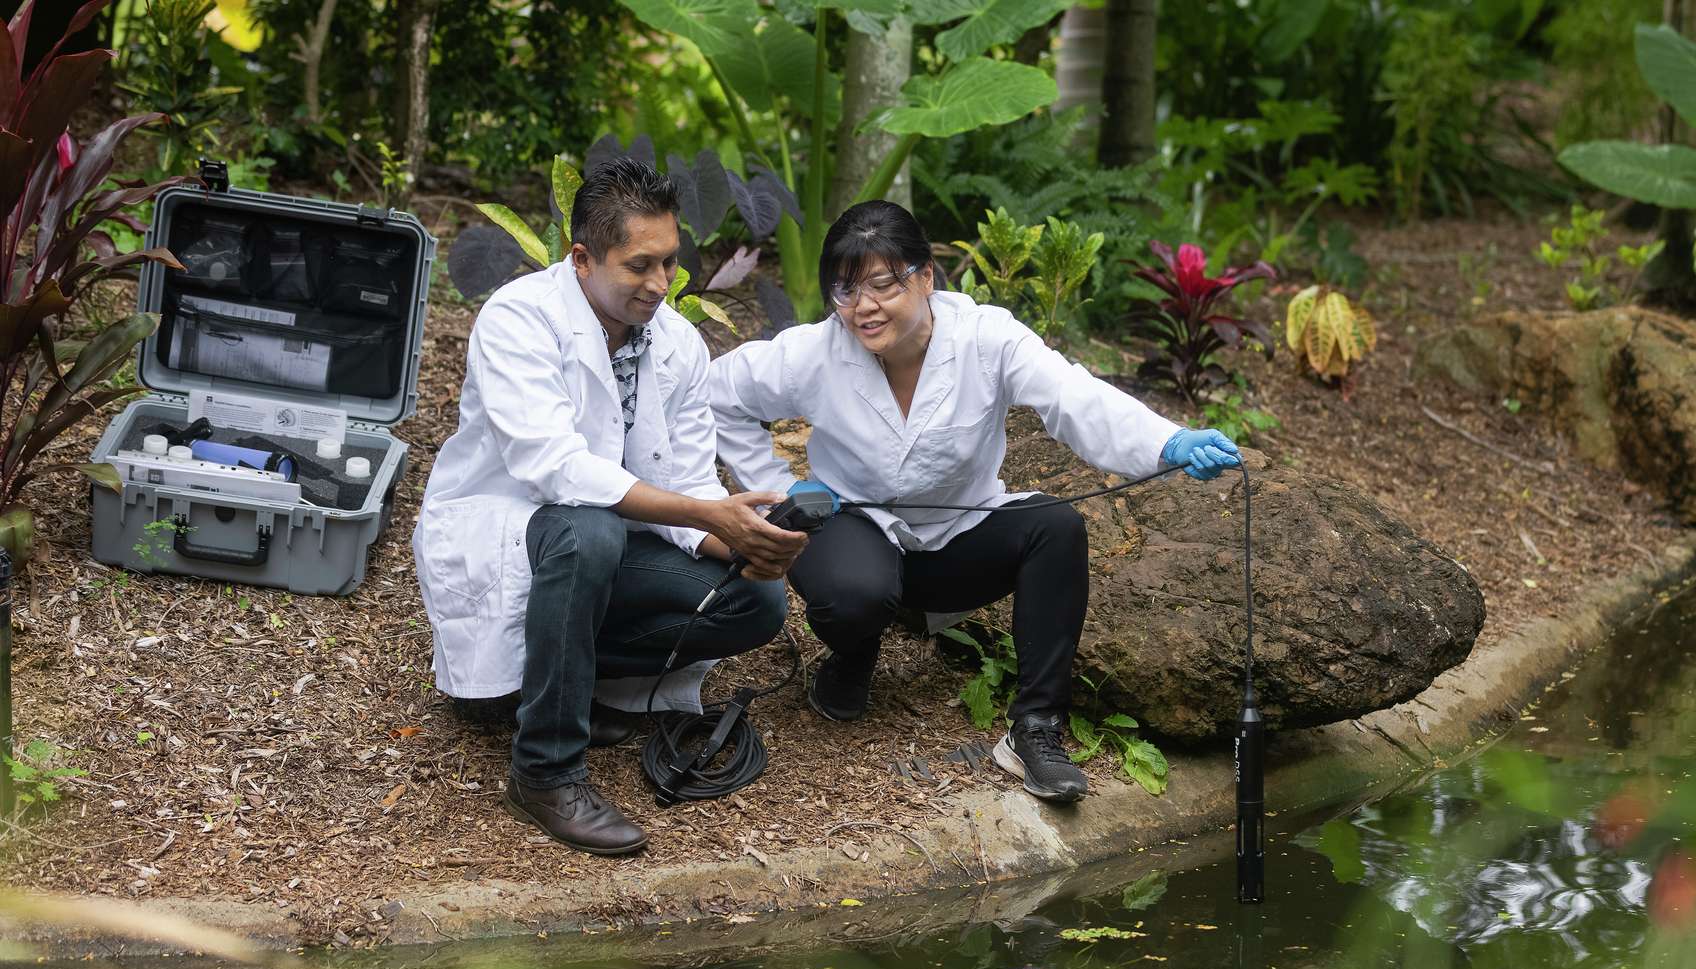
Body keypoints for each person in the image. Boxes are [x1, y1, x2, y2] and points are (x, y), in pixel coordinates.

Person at [709, 200, 1242, 804]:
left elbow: (1071, 395)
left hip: (956, 537)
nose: (864, 307)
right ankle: (853, 652)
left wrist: (1167, 440)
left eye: (883, 284)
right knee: (854, 593)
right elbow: (720, 394)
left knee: (1056, 526)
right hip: (851, 527)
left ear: (926, 276)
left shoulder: (987, 338)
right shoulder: (814, 352)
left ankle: (1035, 727)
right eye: (847, 289)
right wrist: (779, 487)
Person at [412, 159, 808, 856]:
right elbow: (555, 469)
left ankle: (559, 681)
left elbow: (687, 479)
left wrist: (745, 540)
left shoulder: (677, 343)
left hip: (603, 542)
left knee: (757, 603)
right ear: (583, 259)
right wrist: (706, 516)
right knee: (588, 530)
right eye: (639, 266)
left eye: (670, 263)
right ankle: (545, 769)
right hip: (510, 526)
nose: (660, 284)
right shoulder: (519, 320)